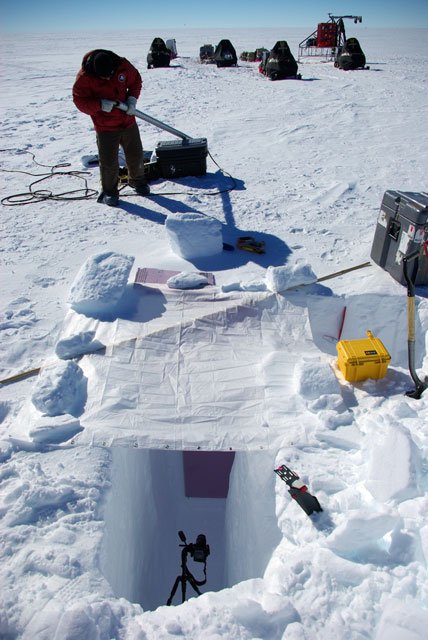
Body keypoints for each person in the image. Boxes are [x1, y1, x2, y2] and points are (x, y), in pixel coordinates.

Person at [73, 49, 150, 207]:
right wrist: (99, 105)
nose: (108, 78)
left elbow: (136, 80)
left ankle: (137, 181)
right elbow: (80, 101)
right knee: (109, 162)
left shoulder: (122, 65)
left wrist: (132, 100)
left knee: (135, 154)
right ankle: (110, 192)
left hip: (127, 120)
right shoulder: (84, 77)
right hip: (105, 125)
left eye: (110, 74)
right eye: (104, 77)